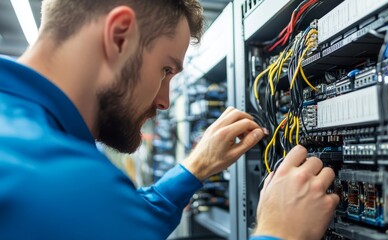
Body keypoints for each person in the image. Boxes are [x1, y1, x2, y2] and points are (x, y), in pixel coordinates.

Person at [0, 0, 339, 239]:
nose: (164, 101)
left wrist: (194, 169)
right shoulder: (61, 180)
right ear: (119, 36)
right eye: (165, 70)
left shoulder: (22, 144)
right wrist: (279, 231)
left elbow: (121, 223)